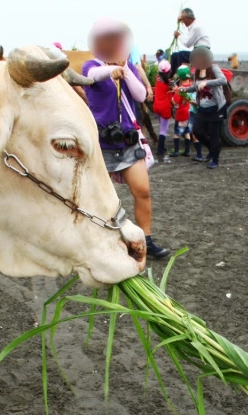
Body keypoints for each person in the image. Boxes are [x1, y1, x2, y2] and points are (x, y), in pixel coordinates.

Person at [82, 18, 170, 259]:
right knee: (104, 199)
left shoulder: (128, 66)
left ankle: (146, 239)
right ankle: (104, 243)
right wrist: (112, 70)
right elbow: (94, 75)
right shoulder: (91, 65)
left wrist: (126, 70)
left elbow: (141, 95)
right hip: (103, 144)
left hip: (128, 141)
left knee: (142, 191)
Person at [179, 48, 226, 169]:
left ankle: (215, 159)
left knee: (214, 134)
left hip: (216, 108)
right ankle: (212, 148)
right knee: (197, 131)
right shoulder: (197, 71)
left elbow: (223, 80)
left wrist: (207, 83)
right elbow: (196, 86)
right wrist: (185, 89)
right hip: (202, 108)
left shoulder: (213, 68)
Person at [170, 8, 210, 74]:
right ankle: (172, 75)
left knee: (181, 54)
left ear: (190, 18)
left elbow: (187, 44)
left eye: (184, 19)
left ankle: (180, 75)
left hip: (202, 52)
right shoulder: (193, 26)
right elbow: (187, 34)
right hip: (197, 51)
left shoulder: (197, 27)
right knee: (174, 55)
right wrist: (181, 23)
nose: (183, 21)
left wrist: (178, 35)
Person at [169, 66, 193, 157]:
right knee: (187, 132)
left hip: (181, 113)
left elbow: (175, 102)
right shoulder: (191, 86)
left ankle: (176, 151)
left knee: (176, 133)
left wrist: (172, 97)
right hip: (189, 112)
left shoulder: (180, 89)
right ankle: (187, 151)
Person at [153, 60, 173, 157]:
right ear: (169, 71)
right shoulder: (169, 83)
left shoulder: (157, 79)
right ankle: (160, 149)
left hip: (156, 106)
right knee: (163, 130)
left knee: (161, 127)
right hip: (165, 107)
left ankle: (162, 147)